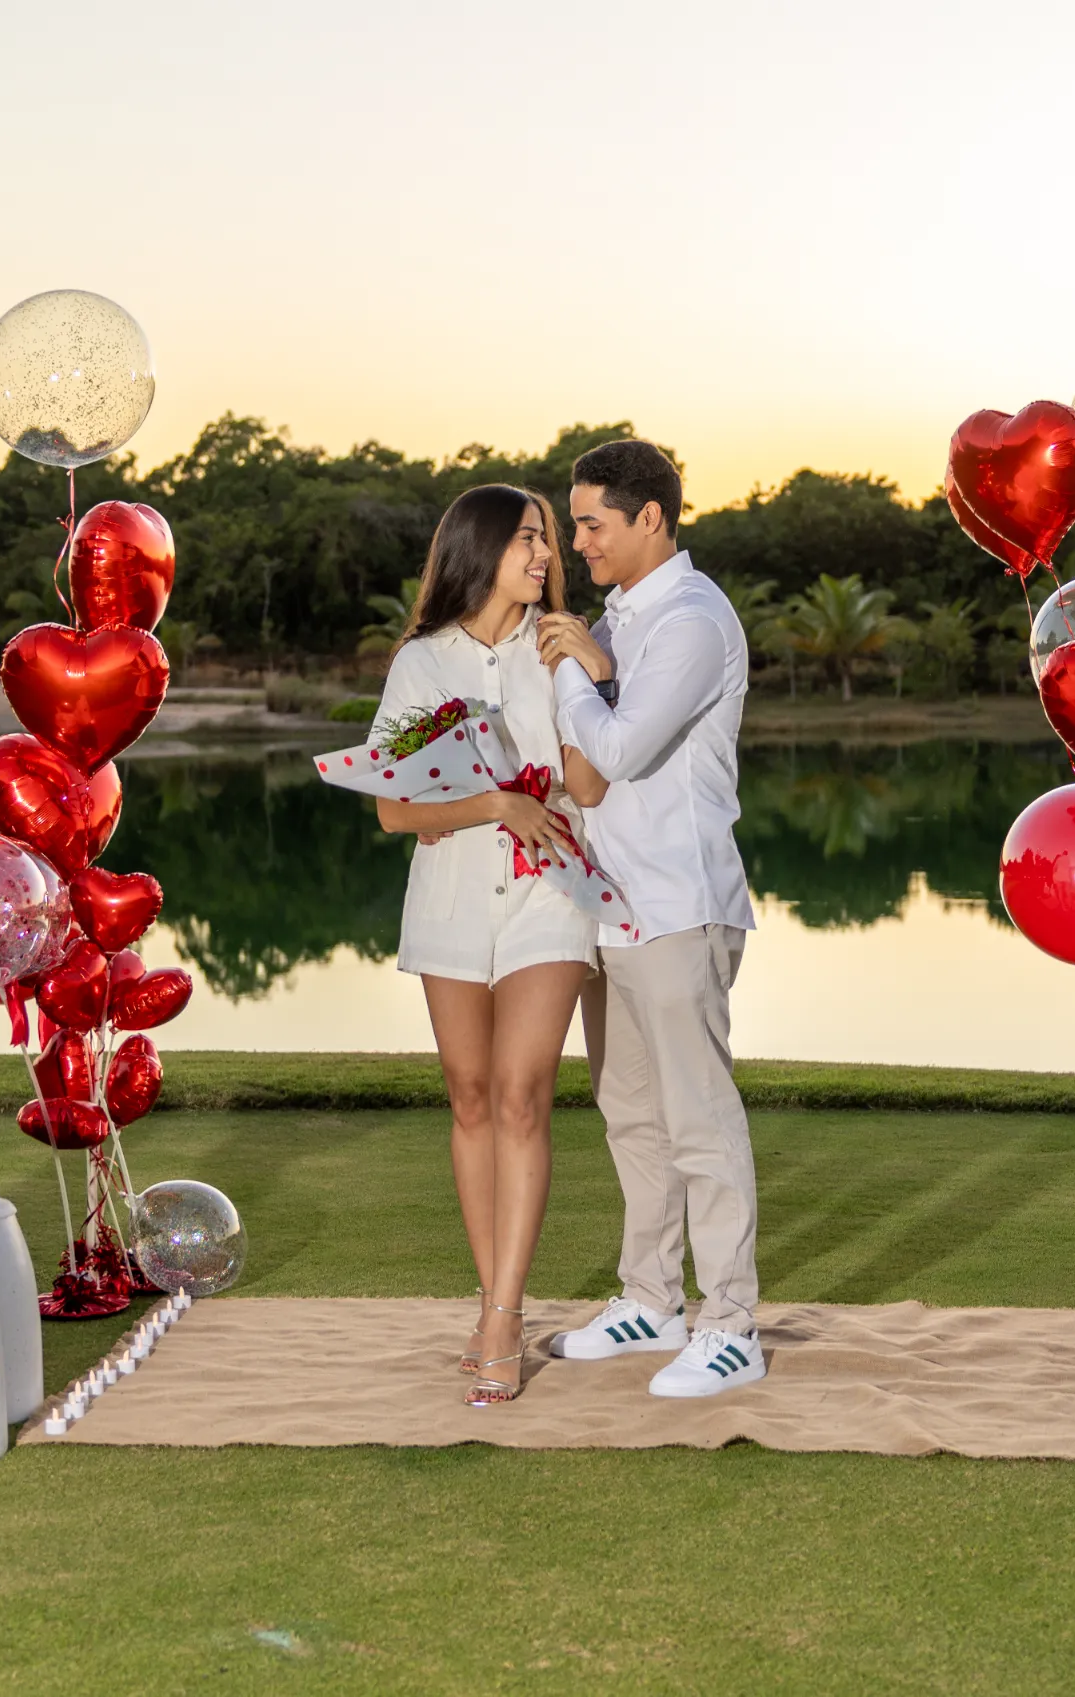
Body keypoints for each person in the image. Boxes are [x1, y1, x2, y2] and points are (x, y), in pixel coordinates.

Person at [368, 484, 609, 1406]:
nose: (545, 554)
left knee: (520, 1095)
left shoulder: (562, 652)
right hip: (453, 898)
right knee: (469, 1097)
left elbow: (587, 782)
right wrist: (494, 804)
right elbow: (395, 807)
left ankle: (503, 1319)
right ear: (479, 550)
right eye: (527, 540)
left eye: (547, 539)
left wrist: (598, 676)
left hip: (553, 892)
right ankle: (491, 1299)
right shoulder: (421, 664)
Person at [536, 438, 765, 1398]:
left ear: (650, 519)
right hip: (614, 904)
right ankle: (651, 1297)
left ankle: (732, 1323)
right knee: (631, 1111)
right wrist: (586, 656)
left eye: (591, 522)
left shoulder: (690, 620)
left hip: (680, 902)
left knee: (698, 1119)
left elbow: (620, 751)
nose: (576, 541)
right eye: (575, 522)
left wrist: (576, 669)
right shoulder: (619, 618)